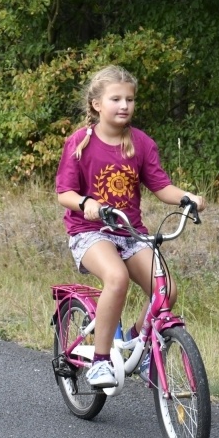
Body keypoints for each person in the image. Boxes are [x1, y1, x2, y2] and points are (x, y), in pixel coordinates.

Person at [55, 65, 205, 388]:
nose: (124, 106)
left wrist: (186, 197)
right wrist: (87, 204)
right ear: (97, 104)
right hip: (89, 232)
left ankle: (139, 341)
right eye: (116, 99)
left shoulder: (140, 143)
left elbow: (161, 186)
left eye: (130, 99)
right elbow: (64, 193)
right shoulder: (81, 142)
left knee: (166, 290)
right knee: (116, 278)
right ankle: (99, 360)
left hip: (130, 232)